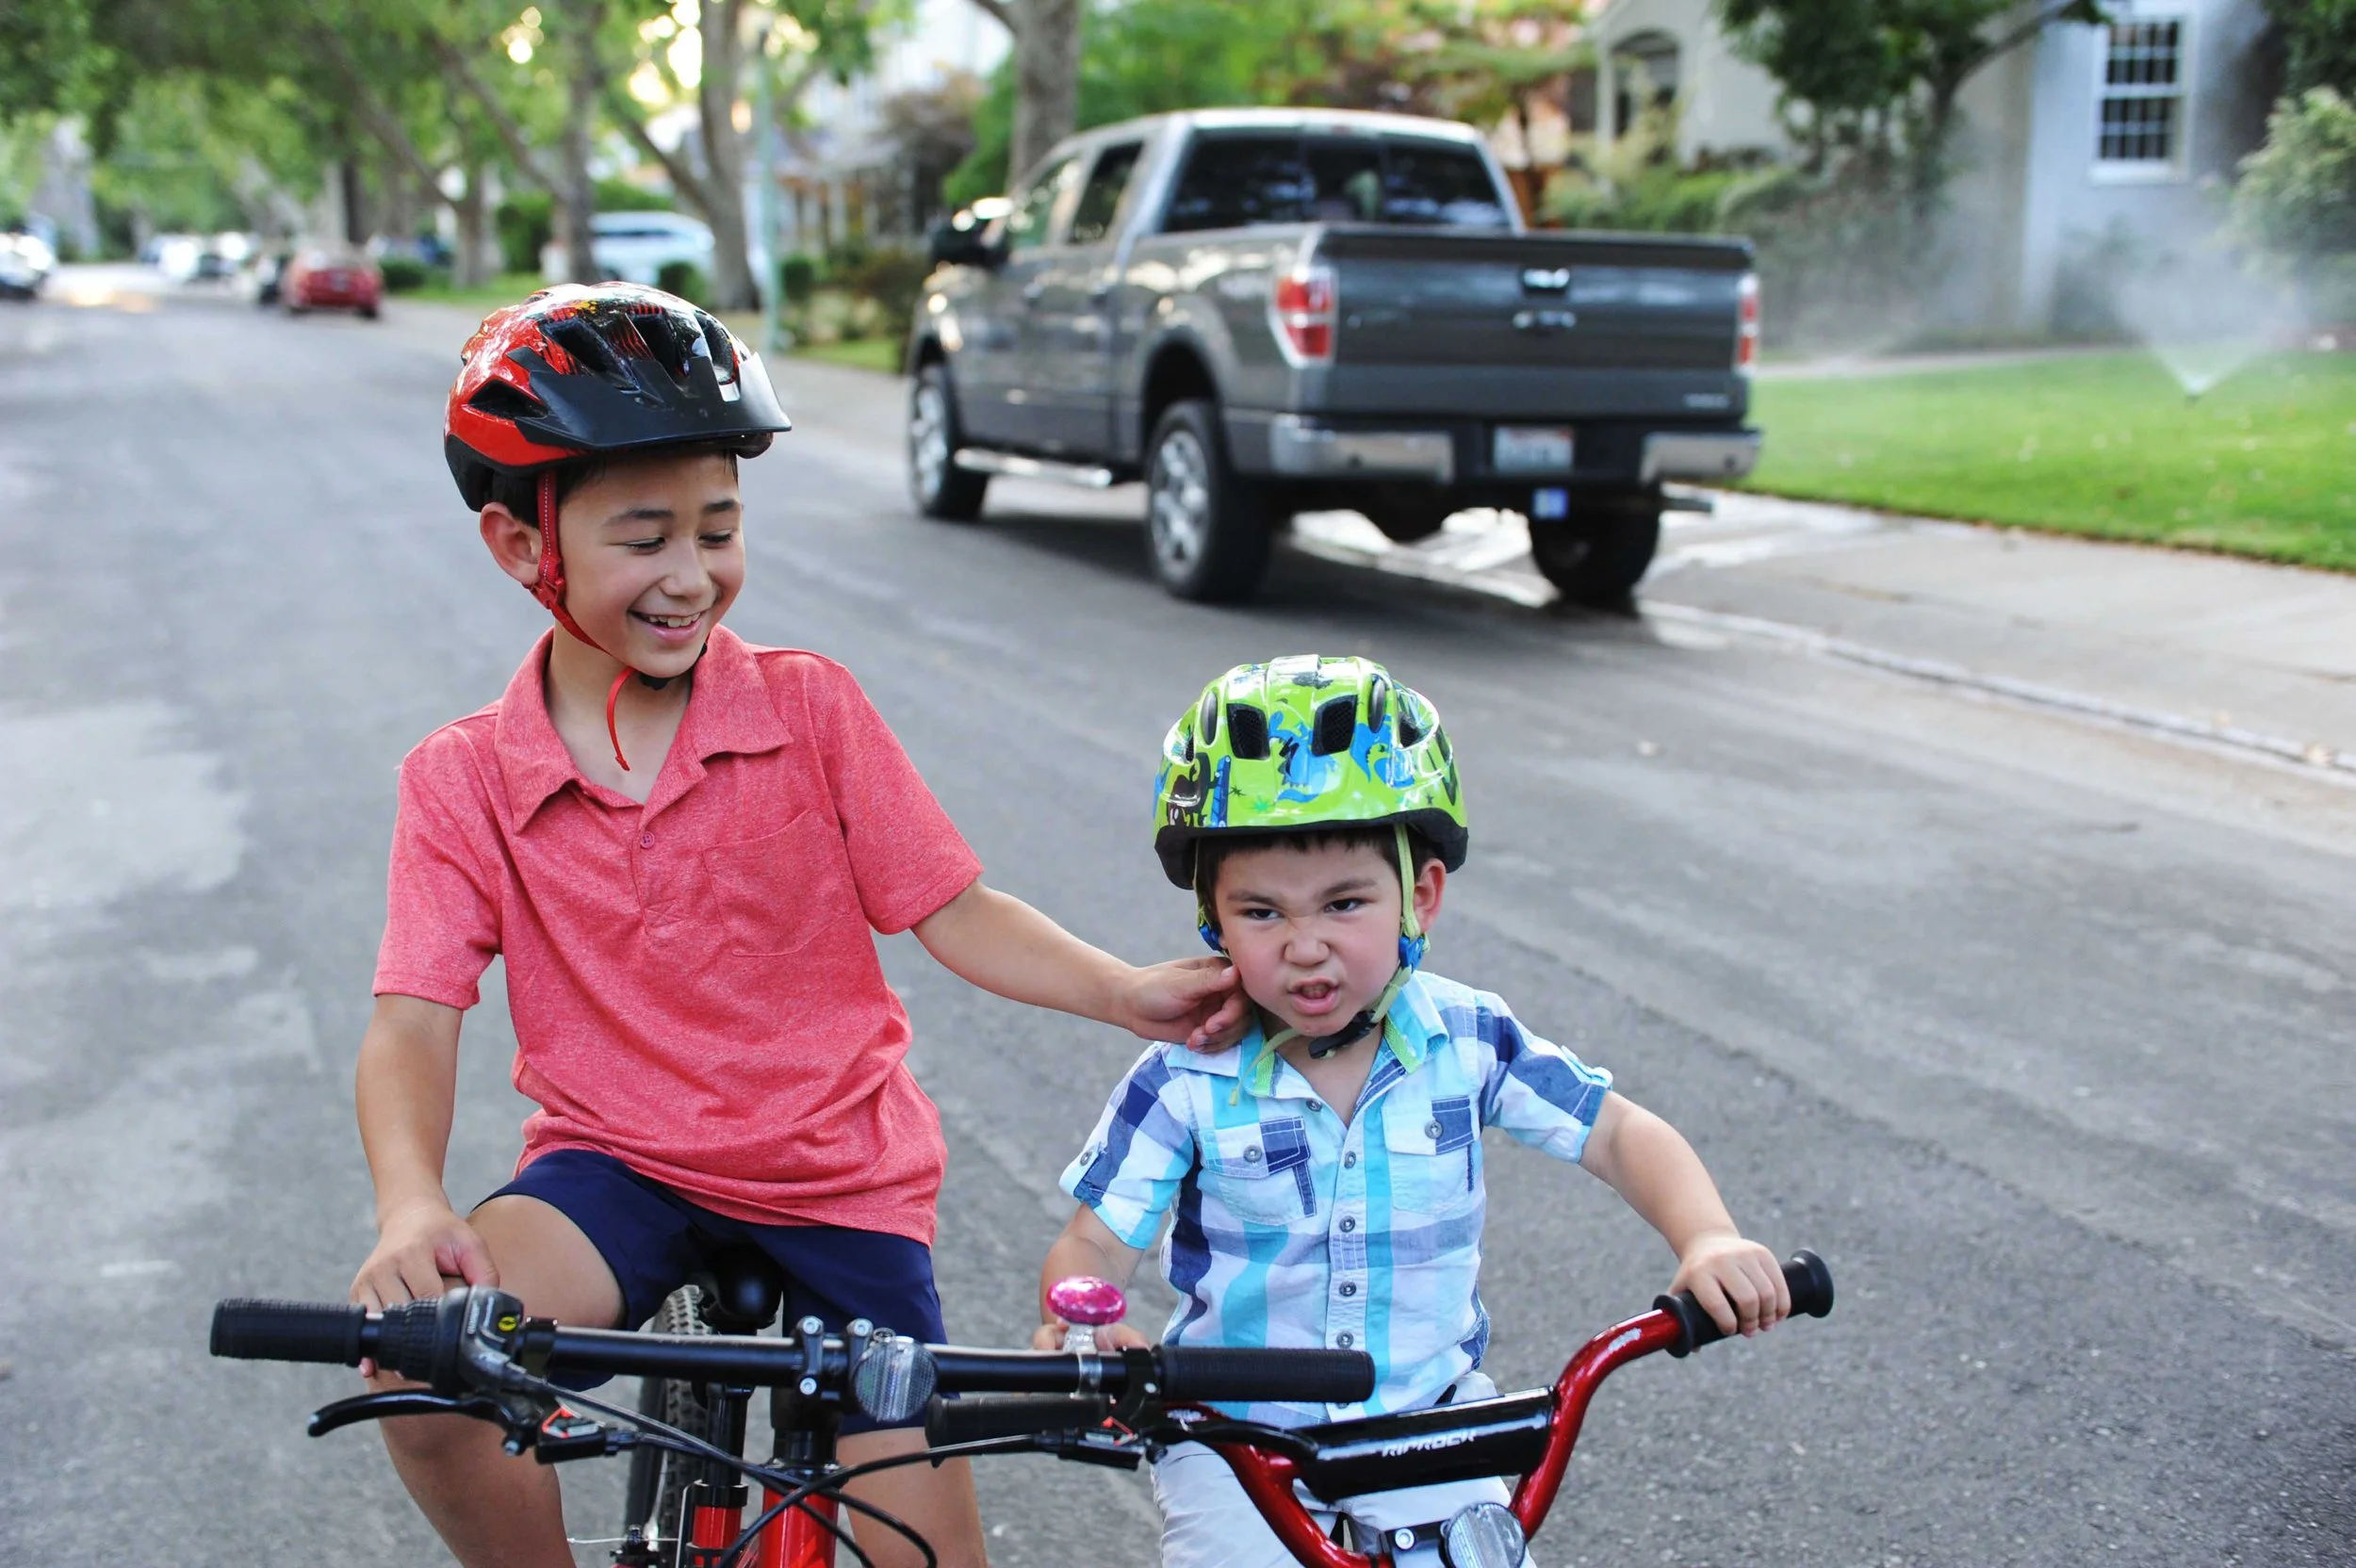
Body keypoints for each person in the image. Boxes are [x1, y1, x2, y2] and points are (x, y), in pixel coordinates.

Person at [352, 283, 1243, 1568]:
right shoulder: (464, 779)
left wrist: (1122, 992)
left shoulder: (809, 711)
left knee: (922, 1550)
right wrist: (408, 1204)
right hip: (617, 1169)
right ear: (518, 546)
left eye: (718, 529)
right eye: (643, 537)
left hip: (837, 1177)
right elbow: (412, 1018)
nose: (691, 574)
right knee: (422, 1373)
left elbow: (954, 909)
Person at [1034, 655, 1791, 1566]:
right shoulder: (1187, 1076)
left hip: (1433, 1422)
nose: (1306, 947)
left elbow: (1621, 1134)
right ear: (1213, 922)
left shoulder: (1469, 1039)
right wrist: (1087, 1316)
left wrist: (1706, 1238)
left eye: (1345, 903)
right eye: (1262, 912)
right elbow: (1093, 1243)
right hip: (1234, 1436)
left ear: (1418, 895)